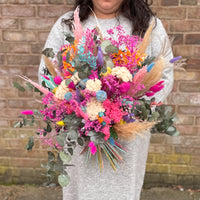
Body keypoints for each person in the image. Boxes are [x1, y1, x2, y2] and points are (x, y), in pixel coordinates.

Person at [38, 0, 174, 199]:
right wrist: (75, 107)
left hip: (128, 134)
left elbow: (165, 73)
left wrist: (131, 111)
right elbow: (46, 73)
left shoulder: (147, 25)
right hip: (80, 135)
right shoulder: (66, 25)